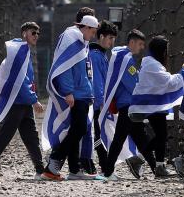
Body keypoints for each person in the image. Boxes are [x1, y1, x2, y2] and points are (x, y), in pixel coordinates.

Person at [0, 22, 45, 179]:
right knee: (6, 136)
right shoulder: (20, 52)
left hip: (22, 103)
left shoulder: (22, 51)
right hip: (17, 102)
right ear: (24, 33)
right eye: (33, 33)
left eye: (38, 34)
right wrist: (34, 100)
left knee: (30, 136)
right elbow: (20, 82)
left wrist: (31, 99)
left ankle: (40, 170)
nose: (36, 36)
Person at [41, 15, 99, 181]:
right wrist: (67, 92)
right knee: (78, 129)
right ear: (86, 27)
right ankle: (54, 163)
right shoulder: (72, 40)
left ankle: (74, 170)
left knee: (76, 130)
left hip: (83, 94)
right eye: (93, 32)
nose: (93, 36)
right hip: (76, 94)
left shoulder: (81, 42)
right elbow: (64, 69)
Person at [128, 36, 184, 177]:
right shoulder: (152, 65)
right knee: (162, 135)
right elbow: (168, 82)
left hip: (152, 104)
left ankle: (154, 165)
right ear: (161, 51)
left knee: (161, 135)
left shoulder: (151, 63)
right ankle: (143, 161)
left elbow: (162, 82)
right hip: (152, 105)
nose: (166, 54)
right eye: (165, 50)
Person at [99, 29, 157, 181]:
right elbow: (133, 84)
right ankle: (108, 172)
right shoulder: (126, 60)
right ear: (131, 42)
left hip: (128, 106)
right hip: (129, 106)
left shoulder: (120, 56)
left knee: (140, 140)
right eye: (139, 44)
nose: (141, 47)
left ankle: (157, 168)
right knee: (123, 140)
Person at [79, 20, 118, 174]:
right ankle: (103, 164)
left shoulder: (100, 54)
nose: (112, 42)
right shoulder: (96, 56)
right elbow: (97, 83)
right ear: (101, 36)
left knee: (97, 133)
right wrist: (101, 102)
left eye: (113, 39)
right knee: (97, 134)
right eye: (110, 38)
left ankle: (98, 163)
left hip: (97, 102)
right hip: (96, 103)